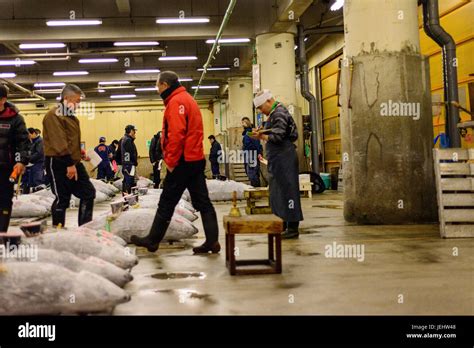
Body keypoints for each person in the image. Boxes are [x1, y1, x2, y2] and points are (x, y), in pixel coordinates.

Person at [131, 70, 220, 254]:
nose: (157, 89)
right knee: (203, 202)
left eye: (157, 85)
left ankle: (152, 240)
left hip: (182, 162)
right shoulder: (186, 98)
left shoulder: (176, 102)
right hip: (194, 160)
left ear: (165, 84)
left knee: (166, 202)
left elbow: (176, 135)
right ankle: (212, 241)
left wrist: (170, 161)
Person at [250, 89, 303, 239]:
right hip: (278, 157)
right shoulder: (273, 113)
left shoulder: (279, 112)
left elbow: (278, 136)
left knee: (288, 190)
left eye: (261, 108)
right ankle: (283, 224)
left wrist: (262, 136)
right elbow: (274, 131)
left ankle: (292, 227)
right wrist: (262, 132)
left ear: (268, 101)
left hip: (284, 155)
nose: (261, 111)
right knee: (278, 191)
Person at [43, 84, 96, 228]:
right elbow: (59, 142)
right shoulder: (54, 115)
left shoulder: (71, 117)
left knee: (88, 193)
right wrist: (70, 164)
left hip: (72, 161)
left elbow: (70, 140)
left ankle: (85, 229)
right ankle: (57, 231)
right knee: (62, 199)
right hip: (58, 162)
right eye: (76, 101)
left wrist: (79, 153)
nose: (78, 105)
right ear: (66, 98)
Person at [0, 84, 30, 232]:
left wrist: (20, 161)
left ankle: (2, 233)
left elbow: (22, 143)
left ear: (3, 100)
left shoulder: (15, 119)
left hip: (6, 168)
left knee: (5, 200)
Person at [241, 117, 262, 187]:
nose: (242, 124)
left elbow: (256, 144)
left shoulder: (250, 133)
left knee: (252, 174)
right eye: (242, 122)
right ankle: (255, 189)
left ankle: (257, 190)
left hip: (252, 155)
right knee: (249, 173)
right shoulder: (246, 133)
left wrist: (259, 153)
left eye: (243, 122)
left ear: (247, 123)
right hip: (248, 155)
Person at [116, 125, 138, 194]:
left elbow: (118, 153)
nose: (135, 133)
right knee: (129, 182)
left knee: (126, 181)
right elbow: (131, 153)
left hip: (126, 164)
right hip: (129, 165)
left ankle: (126, 198)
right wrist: (135, 162)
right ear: (131, 131)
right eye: (134, 131)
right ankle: (128, 198)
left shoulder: (123, 139)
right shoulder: (128, 140)